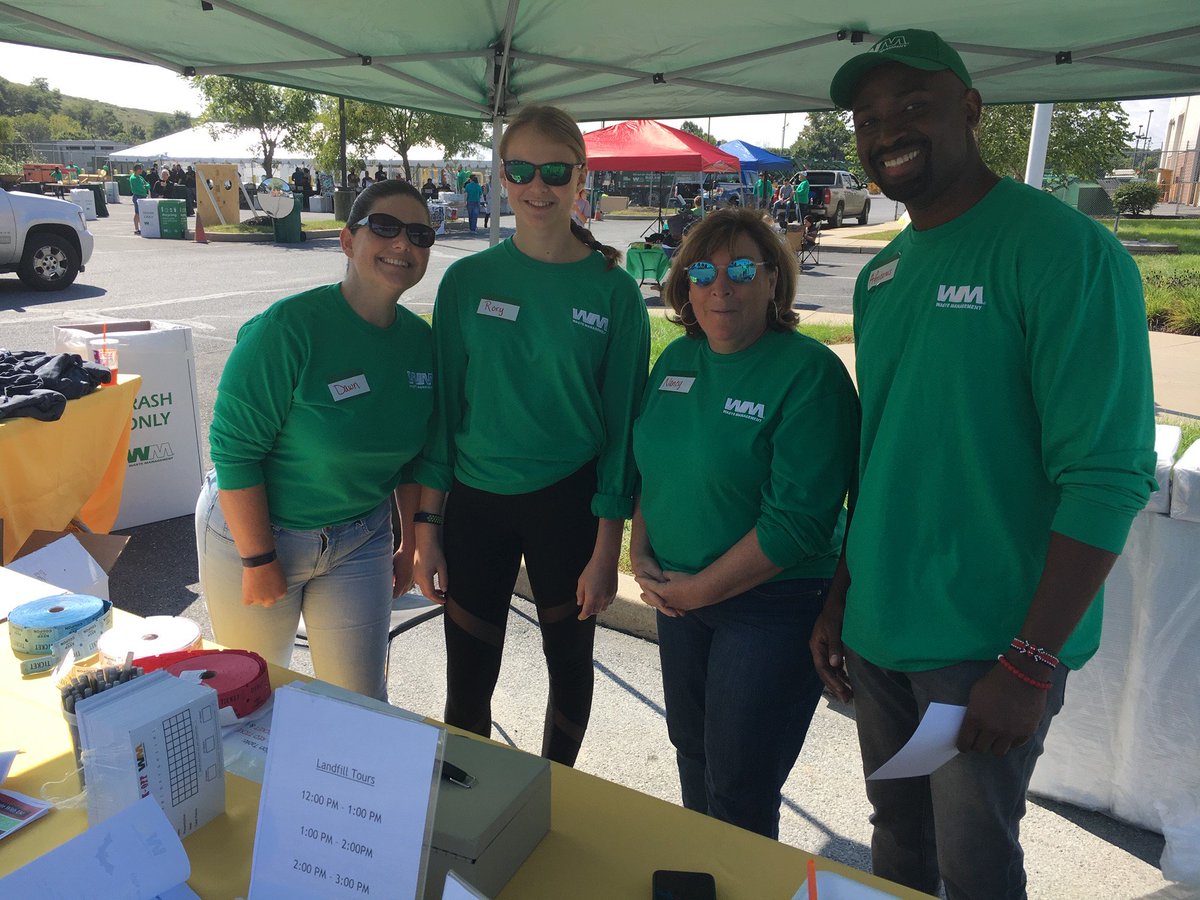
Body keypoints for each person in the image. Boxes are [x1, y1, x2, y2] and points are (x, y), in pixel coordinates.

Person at [809, 29, 1157, 899]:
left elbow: (1108, 475)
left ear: (970, 109)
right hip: (882, 632)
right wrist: (843, 594)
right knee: (898, 840)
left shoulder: (1065, 253)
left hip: (985, 651)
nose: (887, 130)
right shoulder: (883, 273)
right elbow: (883, 451)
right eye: (867, 118)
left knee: (974, 866)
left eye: (912, 105)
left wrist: (1030, 661)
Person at [413, 104, 650, 767]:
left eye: (554, 171)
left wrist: (607, 547)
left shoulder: (614, 293)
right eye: (520, 170)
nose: (536, 186)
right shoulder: (467, 282)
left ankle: (554, 795)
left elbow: (622, 432)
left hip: (568, 505)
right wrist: (426, 528)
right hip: (476, 505)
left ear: (581, 177)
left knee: (569, 665)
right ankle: (469, 797)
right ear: (501, 176)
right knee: (468, 677)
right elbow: (443, 416)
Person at [632, 208, 858, 839]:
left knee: (739, 782)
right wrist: (641, 552)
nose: (720, 287)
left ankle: (741, 878)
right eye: (703, 271)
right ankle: (704, 874)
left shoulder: (809, 373)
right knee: (691, 752)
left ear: (773, 281)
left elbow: (797, 524)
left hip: (771, 603)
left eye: (741, 270)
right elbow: (653, 465)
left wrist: (693, 591)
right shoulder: (677, 359)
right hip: (679, 595)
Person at [196, 180, 438, 701]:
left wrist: (410, 543)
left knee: (358, 703)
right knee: (250, 694)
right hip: (261, 533)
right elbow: (235, 452)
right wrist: (258, 559)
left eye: (419, 234)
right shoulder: (288, 328)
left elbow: (415, 460)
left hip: (361, 538)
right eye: (385, 227)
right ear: (348, 241)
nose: (403, 243)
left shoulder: (422, 342)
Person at [129, 163, 150, 234]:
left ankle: (142, 227)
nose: (142, 170)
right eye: (140, 169)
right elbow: (141, 187)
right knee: (137, 213)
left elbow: (147, 184)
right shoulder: (133, 178)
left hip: (143, 196)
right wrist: (145, 187)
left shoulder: (140, 177)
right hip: (138, 196)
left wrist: (146, 186)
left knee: (141, 213)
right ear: (137, 170)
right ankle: (136, 228)